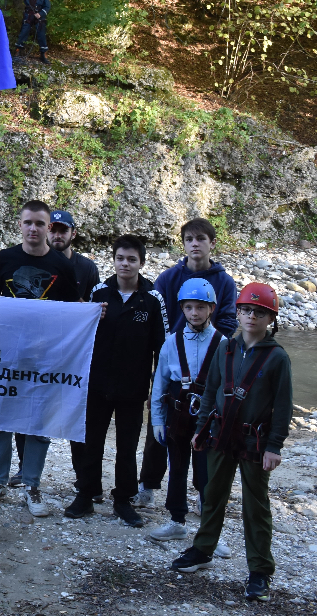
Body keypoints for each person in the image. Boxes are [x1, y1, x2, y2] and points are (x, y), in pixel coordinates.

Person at [171, 283, 292, 604]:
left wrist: (274, 446)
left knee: (256, 505)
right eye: (246, 310)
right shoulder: (225, 349)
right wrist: (200, 429)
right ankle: (202, 549)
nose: (251, 316)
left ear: (271, 318)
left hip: (256, 439)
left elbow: (283, 405)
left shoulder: (278, 358)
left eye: (260, 312)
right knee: (212, 495)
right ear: (237, 313)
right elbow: (210, 392)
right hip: (220, 434)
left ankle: (260, 571)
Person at [0, 200, 79, 517]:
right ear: (20, 225)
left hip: (43, 359)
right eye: (28, 223)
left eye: (40, 223)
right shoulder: (4, 259)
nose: (33, 228)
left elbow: (72, 314)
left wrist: (93, 313)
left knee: (38, 422)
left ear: (49, 227)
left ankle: (33, 487)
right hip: (6, 355)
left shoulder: (63, 267)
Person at [65, 235, 167, 526]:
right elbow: (78, 333)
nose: (125, 264)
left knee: (127, 446)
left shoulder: (153, 298)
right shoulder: (99, 293)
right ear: (114, 260)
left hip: (133, 387)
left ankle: (123, 500)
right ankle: (86, 494)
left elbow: (164, 347)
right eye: (120, 258)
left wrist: (157, 388)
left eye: (132, 259)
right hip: (96, 384)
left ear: (141, 263)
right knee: (91, 442)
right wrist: (91, 315)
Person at [138, 217, 239, 506]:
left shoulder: (224, 281)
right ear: (183, 244)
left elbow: (229, 320)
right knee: (161, 419)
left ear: (211, 244)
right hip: (173, 357)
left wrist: (210, 345)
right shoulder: (169, 278)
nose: (195, 244)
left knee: (206, 425)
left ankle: (202, 490)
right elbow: (156, 313)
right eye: (189, 239)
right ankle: (148, 482)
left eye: (201, 239)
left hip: (209, 364)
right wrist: (173, 343)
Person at [148, 279, 230, 555]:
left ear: (211, 309)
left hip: (208, 419)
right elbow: (159, 384)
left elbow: (227, 387)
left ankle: (210, 530)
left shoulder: (223, 344)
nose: (194, 313)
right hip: (178, 415)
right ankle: (176, 520)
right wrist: (157, 420)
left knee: (207, 474)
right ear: (182, 309)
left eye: (200, 308)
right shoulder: (171, 343)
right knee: (177, 468)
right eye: (189, 308)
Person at [48, 210, 100, 302]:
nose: (57, 236)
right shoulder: (35, 264)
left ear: (73, 234)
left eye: (63, 231)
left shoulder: (87, 268)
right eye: (52, 231)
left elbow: (95, 304)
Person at [8, 0, 50, 64]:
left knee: (41, 34)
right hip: (28, 15)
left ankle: (44, 54)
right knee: (24, 32)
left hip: (39, 15)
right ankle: (18, 52)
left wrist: (41, 14)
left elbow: (47, 6)